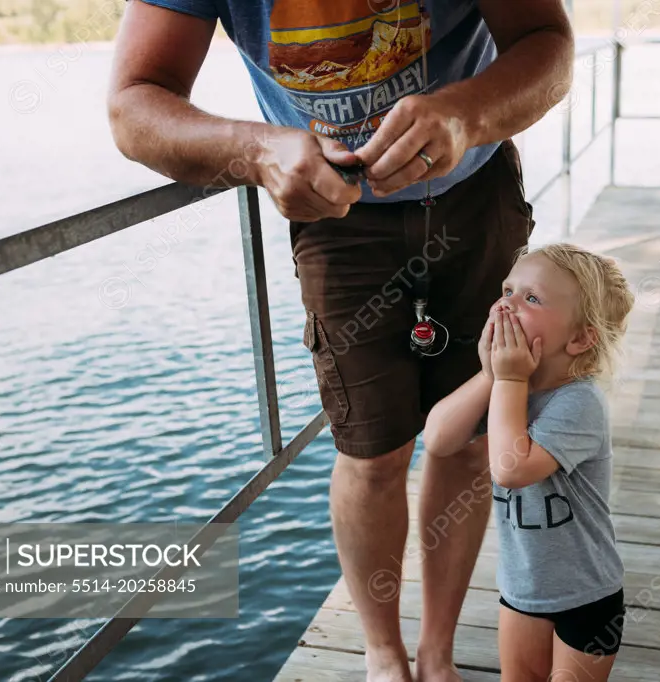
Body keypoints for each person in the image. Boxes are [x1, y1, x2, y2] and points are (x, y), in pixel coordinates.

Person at [107, 2, 574, 681]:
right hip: (335, 218)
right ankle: (384, 654)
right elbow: (132, 105)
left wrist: (463, 115)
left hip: (475, 198)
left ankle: (437, 652)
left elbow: (549, 46)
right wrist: (257, 149)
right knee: (372, 453)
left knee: (469, 441)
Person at [423, 243, 635, 681]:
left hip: (587, 596)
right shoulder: (507, 389)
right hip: (522, 591)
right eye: (507, 289)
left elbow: (510, 468)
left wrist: (511, 378)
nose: (506, 303)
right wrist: (490, 376)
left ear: (579, 338)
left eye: (530, 297)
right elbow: (439, 439)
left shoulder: (580, 403)